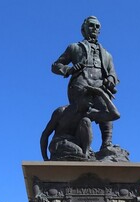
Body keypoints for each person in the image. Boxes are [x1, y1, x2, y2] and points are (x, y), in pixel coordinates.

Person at [51, 15, 119, 150]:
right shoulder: (74, 47)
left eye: (97, 26)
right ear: (84, 30)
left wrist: (111, 80)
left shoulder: (107, 54)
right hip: (81, 86)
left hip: (100, 87)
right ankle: (82, 145)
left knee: (106, 112)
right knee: (81, 114)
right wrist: (68, 69)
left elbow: (113, 73)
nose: (94, 28)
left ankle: (107, 144)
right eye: (91, 25)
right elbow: (55, 65)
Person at [40, 85, 120, 161]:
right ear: (79, 98)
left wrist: (102, 93)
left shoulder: (89, 113)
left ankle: (85, 154)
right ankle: (83, 155)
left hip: (78, 143)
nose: (91, 100)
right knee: (77, 151)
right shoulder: (62, 111)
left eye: (92, 98)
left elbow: (115, 115)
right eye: (88, 97)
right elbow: (45, 134)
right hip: (60, 142)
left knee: (86, 121)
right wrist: (45, 158)